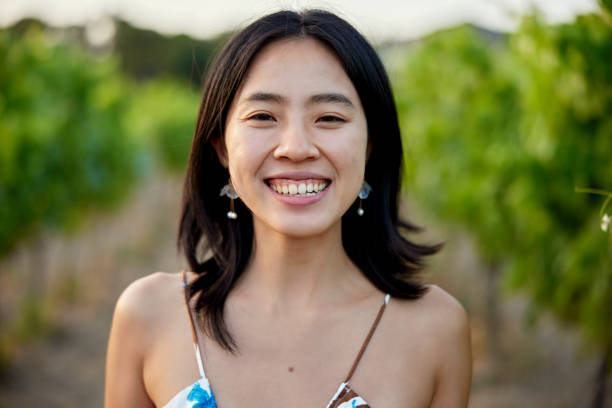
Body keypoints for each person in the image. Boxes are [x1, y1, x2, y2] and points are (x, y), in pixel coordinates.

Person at [105, 9, 472, 408]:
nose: (296, 147)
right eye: (263, 116)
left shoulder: (436, 329)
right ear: (221, 147)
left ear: (370, 145)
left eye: (329, 117)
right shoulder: (149, 314)